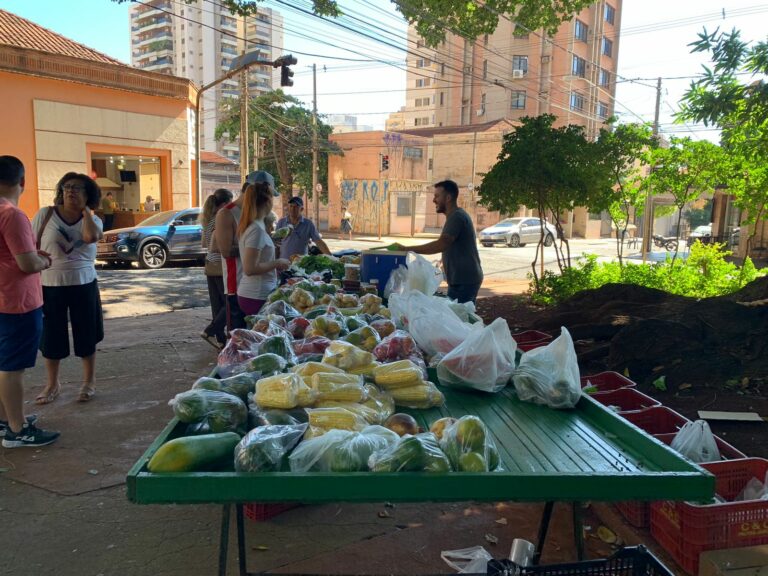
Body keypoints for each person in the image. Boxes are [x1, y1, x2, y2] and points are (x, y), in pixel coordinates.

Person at [0, 156, 60, 448]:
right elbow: (27, 264)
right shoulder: (12, 215)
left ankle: (5, 420)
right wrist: (43, 261)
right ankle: (17, 430)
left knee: (3, 363)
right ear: (22, 181)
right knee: (12, 368)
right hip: (17, 302)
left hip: (3, 300)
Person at [32, 172, 104, 404]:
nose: (71, 191)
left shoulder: (94, 220)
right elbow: (31, 244)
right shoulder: (45, 214)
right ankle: (52, 384)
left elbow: (90, 237)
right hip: (50, 284)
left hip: (84, 283)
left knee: (87, 334)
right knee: (51, 337)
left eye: (77, 188)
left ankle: (89, 381)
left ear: (88, 195)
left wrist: (86, 213)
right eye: (67, 187)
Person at [390, 180, 483, 304]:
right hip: (461, 280)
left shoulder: (456, 217)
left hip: (464, 281)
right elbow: (451, 245)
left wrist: (407, 249)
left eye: (437, 196)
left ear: (448, 198)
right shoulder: (455, 216)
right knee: (457, 314)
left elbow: (441, 244)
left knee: (458, 315)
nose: (434, 200)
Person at [215, 172, 272, 332]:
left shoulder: (256, 215)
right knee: (237, 334)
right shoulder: (226, 213)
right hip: (237, 282)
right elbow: (226, 251)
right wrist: (253, 250)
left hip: (258, 285)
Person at [237, 177, 291, 315]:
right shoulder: (256, 229)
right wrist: (277, 262)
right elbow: (250, 268)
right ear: (267, 201)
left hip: (257, 292)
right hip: (256, 294)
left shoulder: (257, 226)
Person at [199, 188, 233, 349]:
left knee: (216, 305)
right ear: (224, 203)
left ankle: (220, 340)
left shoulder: (208, 220)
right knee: (229, 303)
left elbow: (204, 244)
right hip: (220, 265)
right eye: (230, 203)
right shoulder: (220, 219)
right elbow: (215, 245)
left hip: (210, 265)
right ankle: (211, 330)